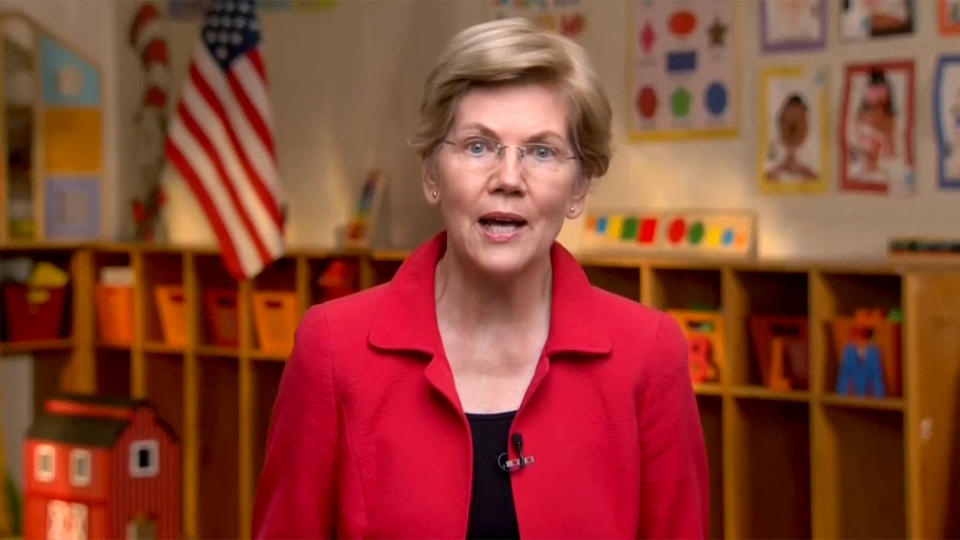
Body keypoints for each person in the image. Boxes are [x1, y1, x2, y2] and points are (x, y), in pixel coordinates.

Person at [252, 18, 708, 539]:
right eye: (477, 146)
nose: (508, 179)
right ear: (430, 172)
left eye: (541, 151)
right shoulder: (332, 349)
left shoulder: (648, 356)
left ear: (579, 186)